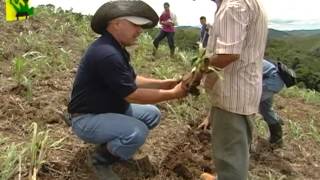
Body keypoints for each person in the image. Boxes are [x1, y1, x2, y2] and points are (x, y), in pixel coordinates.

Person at [67, 1, 187, 179]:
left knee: (152, 114)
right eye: (135, 25)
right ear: (116, 24)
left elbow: (132, 80)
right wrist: (173, 94)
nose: (139, 30)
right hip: (87, 118)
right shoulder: (107, 54)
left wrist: (164, 83)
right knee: (137, 131)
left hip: (106, 110)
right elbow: (132, 95)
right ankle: (100, 160)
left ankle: (112, 146)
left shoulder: (115, 48)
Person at [199, 0, 268, 179]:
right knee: (235, 152)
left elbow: (227, 55)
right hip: (241, 91)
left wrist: (196, 73)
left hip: (232, 94)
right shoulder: (246, 3)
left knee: (230, 157)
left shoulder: (233, 6)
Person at [199, 59, 285, 145]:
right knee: (265, 110)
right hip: (273, 80)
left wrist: (209, 118)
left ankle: (244, 141)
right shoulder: (230, 63)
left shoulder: (229, 66)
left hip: (272, 79)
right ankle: (277, 139)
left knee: (246, 104)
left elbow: (224, 97)